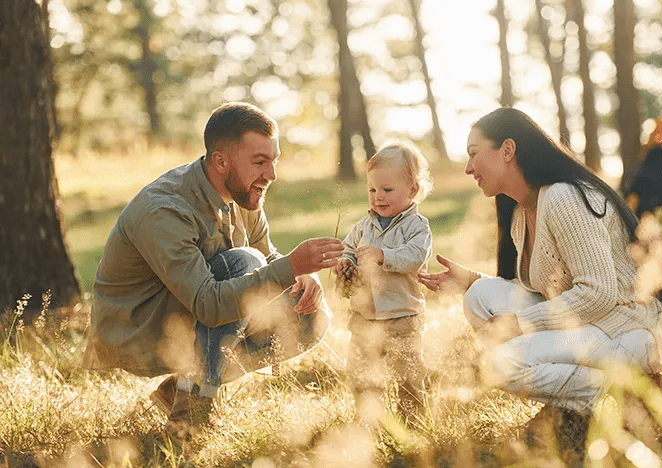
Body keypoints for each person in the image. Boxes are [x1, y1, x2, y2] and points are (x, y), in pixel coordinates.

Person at [83, 102, 344, 431]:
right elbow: (209, 303)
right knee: (243, 261)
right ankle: (188, 417)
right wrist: (290, 265)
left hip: (195, 314)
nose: (272, 175)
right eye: (260, 162)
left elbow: (269, 257)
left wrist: (301, 275)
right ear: (221, 161)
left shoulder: (244, 193)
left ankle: (178, 390)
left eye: (273, 161)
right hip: (140, 329)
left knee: (311, 316)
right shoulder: (164, 209)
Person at [417, 107, 662, 419]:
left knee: (499, 365)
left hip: (627, 330)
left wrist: (519, 324)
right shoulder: (522, 211)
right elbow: (549, 288)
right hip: (589, 326)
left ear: (507, 150)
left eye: (473, 153)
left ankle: (625, 396)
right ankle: (574, 398)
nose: (468, 168)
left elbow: (598, 293)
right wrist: (471, 280)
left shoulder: (563, 198)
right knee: (479, 297)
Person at [333, 142, 433, 424]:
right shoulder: (363, 226)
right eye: (373, 190)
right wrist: (345, 263)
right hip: (365, 315)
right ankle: (368, 421)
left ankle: (414, 422)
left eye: (387, 190)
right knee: (362, 372)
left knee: (408, 374)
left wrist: (382, 256)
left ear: (412, 190)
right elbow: (348, 248)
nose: (378, 197)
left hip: (402, 317)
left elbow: (414, 257)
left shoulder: (417, 227)